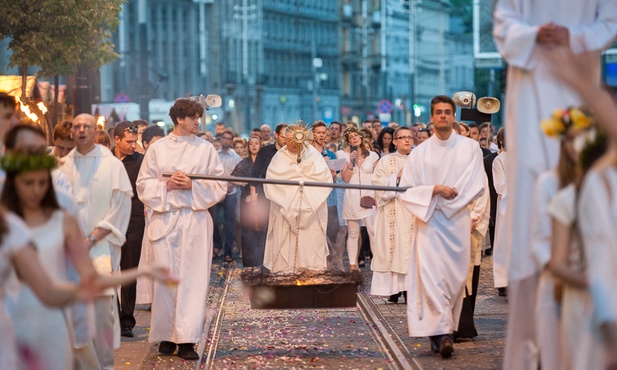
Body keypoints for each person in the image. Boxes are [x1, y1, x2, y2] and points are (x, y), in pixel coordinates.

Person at [492, 2, 617, 367]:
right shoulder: (551, 184)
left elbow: (609, 21)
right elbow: (505, 25)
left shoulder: (598, 178)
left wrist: (574, 38)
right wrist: (533, 35)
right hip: (533, 84)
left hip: (578, 68)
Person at [1, 148, 176, 370]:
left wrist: (143, 273)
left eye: (42, 182)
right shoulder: (10, 227)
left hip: (52, 322)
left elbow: (85, 279)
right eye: (28, 183)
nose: (37, 190)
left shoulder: (64, 222)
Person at [136, 98, 226, 360]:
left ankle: (187, 339)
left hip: (194, 218)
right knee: (165, 280)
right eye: (194, 118)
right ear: (179, 119)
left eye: (199, 117)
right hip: (164, 218)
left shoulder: (205, 149)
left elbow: (220, 185)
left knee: (192, 281)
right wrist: (167, 186)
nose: (198, 122)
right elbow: (143, 184)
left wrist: (193, 186)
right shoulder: (158, 149)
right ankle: (165, 335)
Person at [398, 95, 486, 358]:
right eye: (439, 112)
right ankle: (442, 335)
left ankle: (442, 331)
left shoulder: (470, 148)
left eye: (448, 112)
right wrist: (434, 191)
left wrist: (449, 202)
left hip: (457, 221)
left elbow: (475, 182)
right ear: (432, 117)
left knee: (455, 279)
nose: (444, 116)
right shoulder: (420, 153)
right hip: (430, 223)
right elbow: (407, 189)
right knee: (432, 279)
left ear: (454, 115)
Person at [59, 114, 133, 369]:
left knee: (101, 312)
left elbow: (120, 206)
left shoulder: (112, 165)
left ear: (95, 131)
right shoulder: (62, 166)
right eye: (77, 127)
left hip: (100, 247)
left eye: (86, 127)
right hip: (67, 250)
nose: (81, 131)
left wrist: (91, 238)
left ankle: (104, 365)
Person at [263, 124, 332, 272]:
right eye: (287, 142)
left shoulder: (313, 155)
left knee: (309, 247)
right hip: (285, 209)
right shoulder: (280, 156)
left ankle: (311, 270)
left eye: (293, 143)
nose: (290, 145)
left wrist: (305, 192)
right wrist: (291, 193)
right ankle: (285, 271)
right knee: (286, 246)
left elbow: (323, 179)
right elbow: (272, 182)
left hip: (311, 208)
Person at [370, 126, 414, 303]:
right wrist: (397, 177)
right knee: (392, 251)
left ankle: (410, 289)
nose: (407, 140)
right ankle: (393, 290)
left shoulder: (419, 161)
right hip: (391, 212)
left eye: (410, 137)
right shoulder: (385, 161)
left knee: (410, 252)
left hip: (412, 214)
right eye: (403, 137)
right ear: (395, 142)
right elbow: (378, 186)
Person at [111, 121, 145, 338]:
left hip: (133, 222)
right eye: (130, 142)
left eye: (136, 141)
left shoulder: (141, 161)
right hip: (108, 223)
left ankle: (126, 320)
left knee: (129, 272)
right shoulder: (105, 160)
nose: (134, 145)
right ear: (117, 139)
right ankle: (113, 315)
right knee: (109, 270)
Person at [339, 127, 379, 270]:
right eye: (350, 137)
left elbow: (378, 177)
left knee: (373, 230)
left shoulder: (373, 156)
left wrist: (377, 196)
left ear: (361, 137)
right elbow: (346, 179)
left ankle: (377, 262)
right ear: (348, 141)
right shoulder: (345, 157)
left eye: (356, 135)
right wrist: (350, 162)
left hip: (369, 196)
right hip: (352, 197)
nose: (354, 138)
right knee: (354, 232)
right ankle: (352, 264)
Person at [248, 123, 287, 264]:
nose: (286, 140)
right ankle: (264, 262)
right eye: (283, 136)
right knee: (265, 227)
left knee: (282, 228)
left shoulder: (291, 152)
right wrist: (253, 193)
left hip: (285, 196)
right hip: (266, 194)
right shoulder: (265, 151)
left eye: (288, 137)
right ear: (276, 135)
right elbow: (255, 173)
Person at [311, 121, 341, 271]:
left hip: (330, 199)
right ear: (313, 134)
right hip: (313, 199)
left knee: (331, 231)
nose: (321, 135)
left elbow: (335, 179)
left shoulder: (330, 154)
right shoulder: (307, 153)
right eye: (319, 132)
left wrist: (333, 175)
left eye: (324, 133)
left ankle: (329, 264)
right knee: (315, 232)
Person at [231, 135, 262, 267]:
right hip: (246, 198)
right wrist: (242, 182)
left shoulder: (264, 162)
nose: (254, 146)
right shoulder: (243, 163)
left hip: (263, 198)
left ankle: (262, 260)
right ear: (248, 147)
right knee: (247, 229)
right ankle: (249, 261)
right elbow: (231, 177)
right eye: (251, 144)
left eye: (257, 143)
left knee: (262, 228)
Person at [213, 129, 242, 262]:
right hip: (215, 191)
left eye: (229, 139)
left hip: (231, 192)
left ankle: (228, 252)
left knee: (229, 223)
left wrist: (227, 188)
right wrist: (220, 189)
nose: (226, 140)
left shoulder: (236, 157)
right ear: (221, 139)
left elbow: (237, 175)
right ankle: (217, 245)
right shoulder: (214, 155)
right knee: (214, 221)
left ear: (231, 141)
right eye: (224, 138)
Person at [492, 129, 508, 296]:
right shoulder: (500, 160)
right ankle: (503, 281)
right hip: (507, 205)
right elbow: (500, 185)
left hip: (523, 206)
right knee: (504, 242)